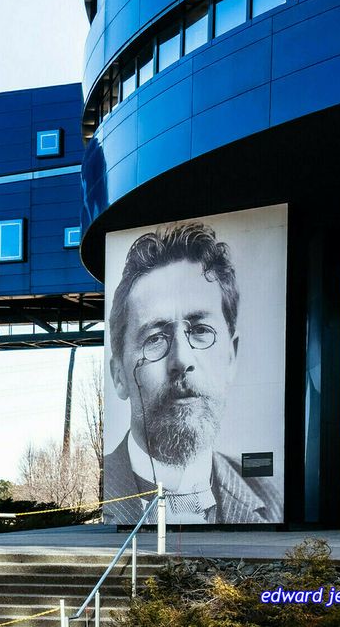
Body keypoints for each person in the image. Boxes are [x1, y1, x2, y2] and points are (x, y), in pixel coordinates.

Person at [102, 221, 282, 524]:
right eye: (155, 338)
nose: (181, 360)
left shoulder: (270, 495)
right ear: (118, 374)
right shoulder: (107, 504)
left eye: (200, 330)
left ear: (231, 355)